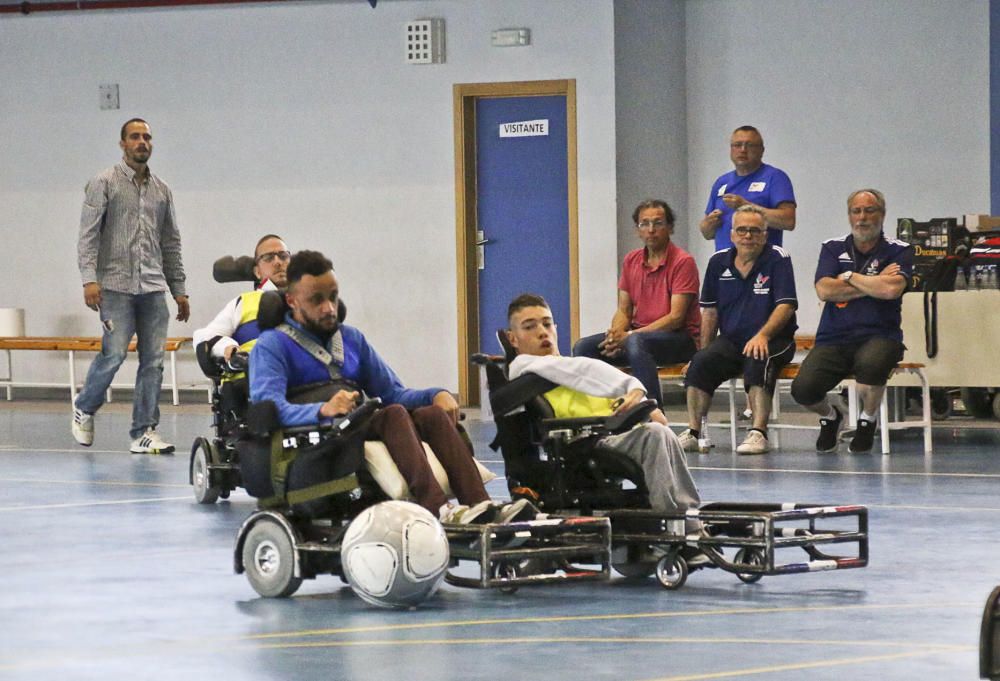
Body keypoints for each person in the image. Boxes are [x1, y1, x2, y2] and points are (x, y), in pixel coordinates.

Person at [249, 250, 531, 524]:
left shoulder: (350, 339)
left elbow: (394, 392)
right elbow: (268, 410)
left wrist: (436, 395)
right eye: (316, 300)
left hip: (354, 425)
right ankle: (438, 509)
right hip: (319, 442)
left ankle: (481, 504)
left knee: (430, 414)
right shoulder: (272, 346)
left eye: (333, 297)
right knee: (393, 414)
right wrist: (322, 409)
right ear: (292, 301)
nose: (329, 308)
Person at [507, 293, 701, 516]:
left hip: (614, 432)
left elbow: (585, 372)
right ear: (513, 339)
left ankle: (686, 515)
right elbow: (586, 369)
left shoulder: (567, 369)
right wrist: (634, 387)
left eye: (547, 324)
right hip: (585, 443)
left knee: (661, 430)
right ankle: (675, 519)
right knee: (656, 435)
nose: (542, 331)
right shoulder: (524, 367)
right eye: (529, 327)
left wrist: (640, 403)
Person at [72, 118, 189, 454]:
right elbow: (88, 234)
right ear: (122, 143)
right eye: (135, 137)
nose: (143, 142)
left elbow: (171, 243)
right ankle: (84, 407)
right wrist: (89, 279)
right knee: (114, 354)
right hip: (115, 287)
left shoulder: (162, 190)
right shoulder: (103, 183)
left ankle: (143, 431)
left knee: (153, 361)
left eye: (147, 137)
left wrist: (178, 289)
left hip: (152, 287)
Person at [791, 189, 913, 453]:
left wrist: (847, 276)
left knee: (870, 369)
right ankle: (832, 416)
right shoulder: (832, 247)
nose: (862, 217)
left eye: (869, 210)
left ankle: (867, 420)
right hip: (834, 338)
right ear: (849, 216)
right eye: (856, 211)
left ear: (882, 214)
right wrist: (874, 282)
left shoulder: (899, 250)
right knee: (803, 390)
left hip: (880, 336)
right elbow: (824, 291)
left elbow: (891, 290)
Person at [679, 206, 798, 455]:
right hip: (732, 340)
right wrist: (703, 350)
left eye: (755, 231)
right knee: (701, 362)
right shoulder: (717, 262)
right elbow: (709, 313)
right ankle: (693, 431)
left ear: (765, 235)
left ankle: (758, 432)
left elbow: (785, 305)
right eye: (742, 230)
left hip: (775, 338)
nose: (748, 236)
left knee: (757, 357)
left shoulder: (778, 258)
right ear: (732, 234)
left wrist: (763, 335)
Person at [573, 199, 700, 405]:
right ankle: (601, 411)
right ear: (637, 230)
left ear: (670, 227)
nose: (651, 230)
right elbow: (624, 309)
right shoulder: (631, 260)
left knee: (635, 342)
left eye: (658, 223)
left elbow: (676, 318)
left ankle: (651, 411)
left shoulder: (683, 262)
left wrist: (629, 336)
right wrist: (615, 336)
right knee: (583, 347)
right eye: (644, 224)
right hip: (639, 338)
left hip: (679, 340)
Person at [193, 234, 290, 363]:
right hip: (252, 376)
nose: (278, 262)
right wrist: (228, 348)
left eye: (283, 256)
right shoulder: (242, 303)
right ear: (257, 272)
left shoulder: (310, 300)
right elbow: (204, 336)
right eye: (268, 257)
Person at [700, 125, 797, 250]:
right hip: (725, 262)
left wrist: (746, 206)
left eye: (749, 145)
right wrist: (708, 224)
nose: (743, 150)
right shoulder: (721, 182)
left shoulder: (774, 177)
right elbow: (707, 234)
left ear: (762, 150)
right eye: (737, 145)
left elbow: (788, 221)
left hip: (763, 263)